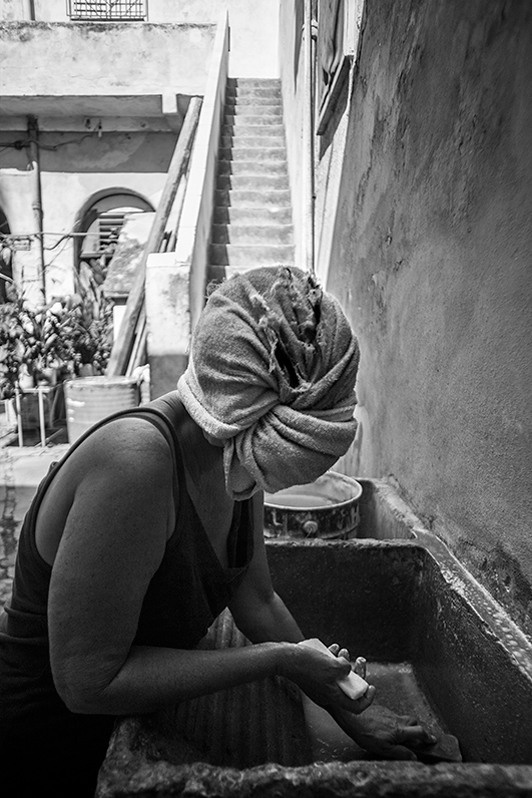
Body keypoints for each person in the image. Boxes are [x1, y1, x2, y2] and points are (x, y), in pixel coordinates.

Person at [0, 266, 434, 797]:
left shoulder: (234, 457)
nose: (268, 484)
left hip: (129, 721)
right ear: (252, 417)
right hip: (54, 747)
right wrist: (281, 660)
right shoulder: (137, 464)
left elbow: (258, 598)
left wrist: (343, 703)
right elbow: (88, 682)